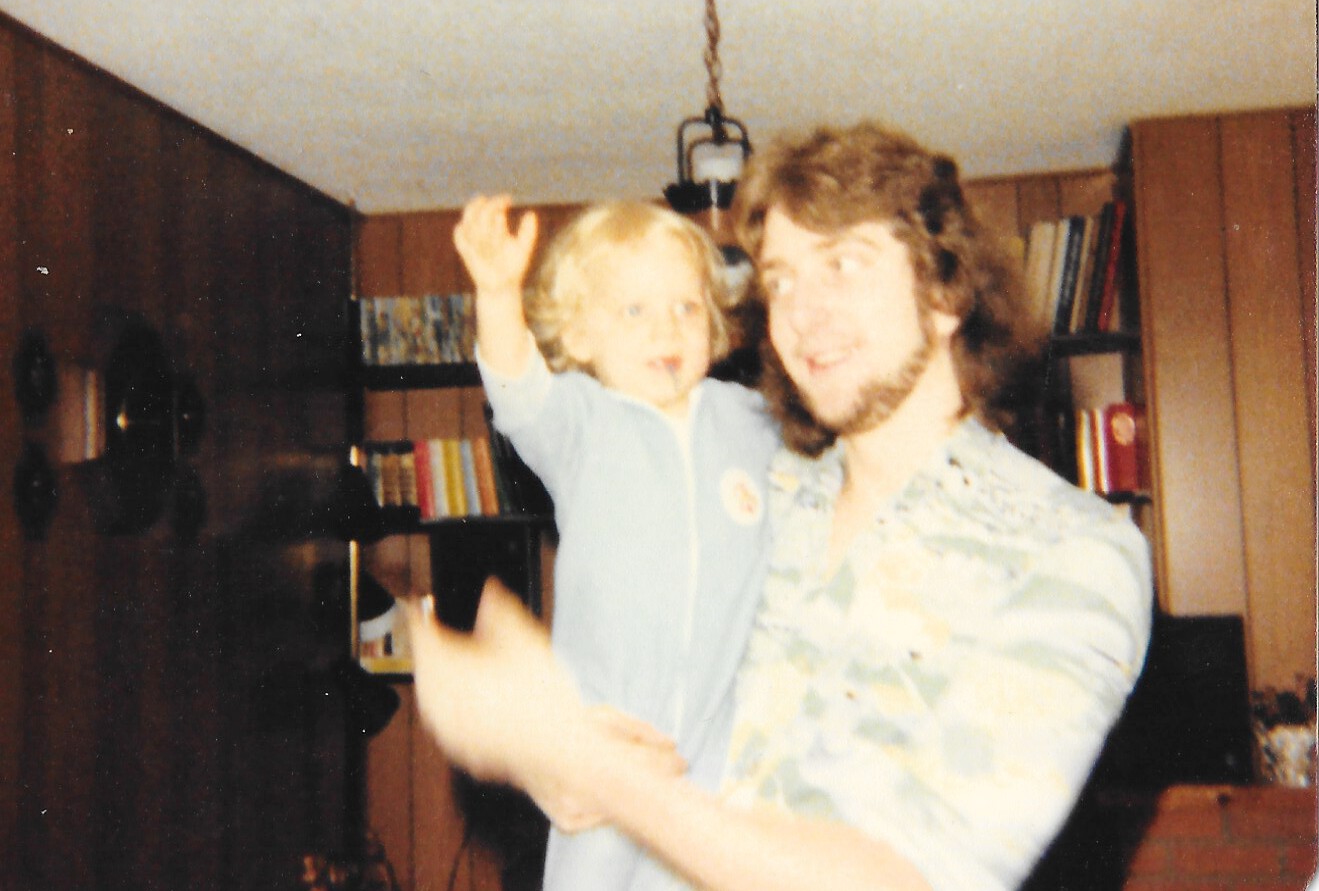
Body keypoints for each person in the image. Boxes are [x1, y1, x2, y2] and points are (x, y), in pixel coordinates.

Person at [413, 123, 1153, 891]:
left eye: (841, 263)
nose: (801, 310)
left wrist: (590, 764)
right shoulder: (765, 487)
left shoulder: (1070, 553)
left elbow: (914, 880)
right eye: (781, 279)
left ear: (943, 293)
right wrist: (562, 755)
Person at [451, 195, 780, 890]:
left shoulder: (749, 421)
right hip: (608, 741)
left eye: (687, 307)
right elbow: (516, 383)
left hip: (720, 744)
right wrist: (498, 294)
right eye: (634, 310)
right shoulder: (581, 423)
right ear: (579, 336)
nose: (667, 327)